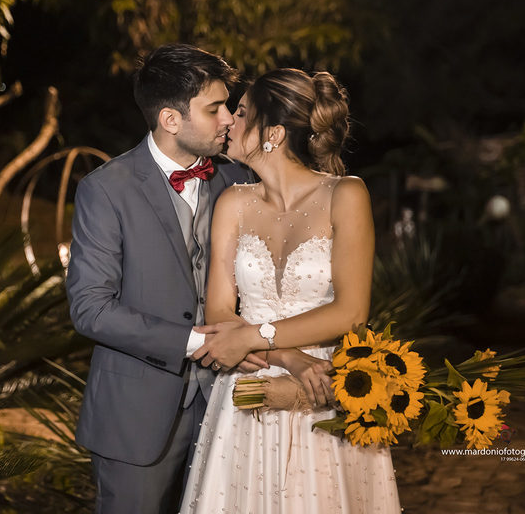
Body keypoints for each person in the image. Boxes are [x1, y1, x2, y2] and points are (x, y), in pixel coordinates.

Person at [180, 68, 402, 513]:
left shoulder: (346, 194)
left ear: (274, 133)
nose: (228, 121)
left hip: (322, 388)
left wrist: (253, 335)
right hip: (248, 389)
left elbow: (352, 313)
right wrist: (282, 354)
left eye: (241, 113)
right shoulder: (233, 203)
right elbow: (221, 309)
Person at [67, 44, 258, 514]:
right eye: (215, 109)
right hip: (135, 414)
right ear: (171, 119)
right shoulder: (105, 189)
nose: (230, 119)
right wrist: (194, 342)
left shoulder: (238, 181)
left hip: (229, 407)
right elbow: (91, 308)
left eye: (229, 107)